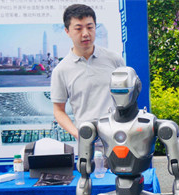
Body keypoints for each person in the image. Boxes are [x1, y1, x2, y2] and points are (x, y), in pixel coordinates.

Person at [50, 3, 124, 138]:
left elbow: (128, 98)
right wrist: (78, 134)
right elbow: (58, 111)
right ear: (67, 31)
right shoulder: (61, 70)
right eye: (78, 29)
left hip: (119, 137)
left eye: (90, 27)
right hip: (88, 141)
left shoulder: (114, 59)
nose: (85, 34)